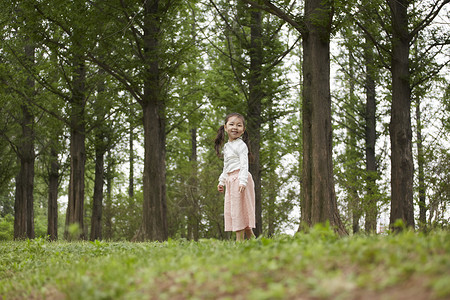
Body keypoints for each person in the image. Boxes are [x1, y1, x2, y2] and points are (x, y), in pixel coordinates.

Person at [215, 113, 256, 241]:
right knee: (236, 209)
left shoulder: (241, 145)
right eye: (231, 124)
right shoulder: (227, 147)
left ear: (243, 130)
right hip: (231, 180)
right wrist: (222, 181)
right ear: (225, 128)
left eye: (239, 125)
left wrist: (242, 181)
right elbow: (226, 166)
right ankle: (254, 241)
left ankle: (239, 242)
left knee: (240, 210)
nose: (235, 127)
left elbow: (244, 164)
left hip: (240, 179)